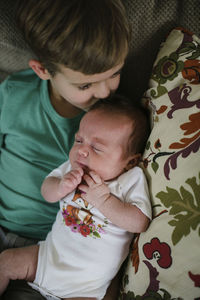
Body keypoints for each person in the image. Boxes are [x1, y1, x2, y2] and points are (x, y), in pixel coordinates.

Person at [0, 0, 130, 298]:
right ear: (42, 69)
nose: (105, 91)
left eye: (115, 73)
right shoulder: (13, 95)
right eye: (86, 86)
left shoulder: (115, 123)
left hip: (59, 250)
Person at [0, 95, 152, 300]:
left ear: (130, 162)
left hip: (84, 287)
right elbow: (47, 192)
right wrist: (61, 186)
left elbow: (139, 222)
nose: (81, 150)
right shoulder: (72, 169)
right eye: (79, 140)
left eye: (96, 148)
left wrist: (105, 201)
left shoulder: (129, 180)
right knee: (5, 261)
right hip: (47, 259)